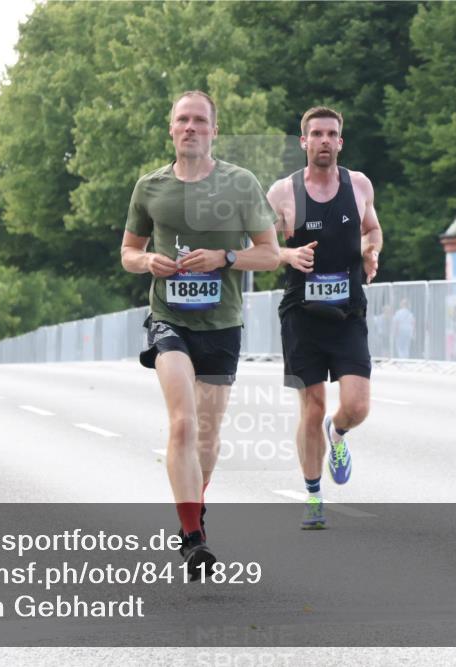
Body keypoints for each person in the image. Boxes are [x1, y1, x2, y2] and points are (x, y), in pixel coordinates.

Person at [121, 91, 280, 576]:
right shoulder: (150, 188)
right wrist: (148, 260)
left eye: (199, 121)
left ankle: (195, 505)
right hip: (169, 318)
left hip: (222, 322)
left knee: (207, 436)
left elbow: (270, 254)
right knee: (184, 423)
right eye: (182, 120)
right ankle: (193, 537)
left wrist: (224, 258)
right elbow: (128, 252)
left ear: (213, 129)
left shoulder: (240, 184)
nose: (190, 127)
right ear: (171, 129)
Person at [266, 106, 382, 529]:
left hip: (348, 311)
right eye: (316, 134)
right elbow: (259, 246)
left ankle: (339, 434)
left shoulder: (359, 184)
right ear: (303, 142)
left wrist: (372, 251)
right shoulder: (282, 193)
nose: (324, 141)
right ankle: (313, 496)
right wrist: (286, 253)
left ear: (340, 142)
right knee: (311, 408)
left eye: (332, 134)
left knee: (357, 406)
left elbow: (372, 228)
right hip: (301, 315)